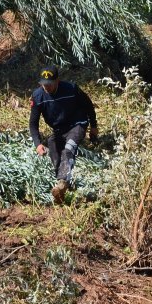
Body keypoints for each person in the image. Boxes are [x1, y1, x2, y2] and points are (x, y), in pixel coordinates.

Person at [29, 66, 98, 204]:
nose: (46, 87)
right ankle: (60, 179)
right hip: (59, 129)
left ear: (57, 81)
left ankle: (63, 183)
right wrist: (38, 144)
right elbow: (33, 124)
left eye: (49, 84)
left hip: (77, 123)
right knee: (53, 147)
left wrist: (94, 126)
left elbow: (88, 105)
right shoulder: (38, 97)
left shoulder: (71, 89)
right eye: (43, 84)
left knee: (68, 150)